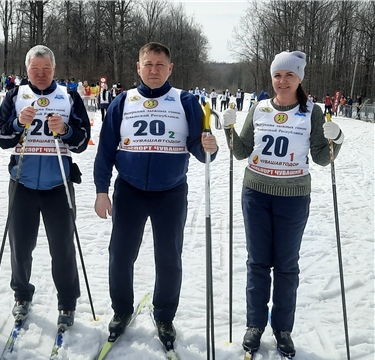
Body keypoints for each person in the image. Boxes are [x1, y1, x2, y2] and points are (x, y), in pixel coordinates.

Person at [93, 42, 218, 347]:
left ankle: (164, 314)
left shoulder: (185, 101)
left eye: (160, 65)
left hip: (170, 192)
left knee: (169, 259)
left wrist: (208, 148)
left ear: (170, 68)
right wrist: (101, 190)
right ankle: (121, 311)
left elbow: (200, 151)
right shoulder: (123, 101)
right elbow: (106, 150)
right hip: (129, 190)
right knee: (120, 256)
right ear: (138, 67)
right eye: (148, 64)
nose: (154, 70)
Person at [221, 51, 344, 358]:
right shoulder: (260, 108)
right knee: (258, 262)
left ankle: (283, 328)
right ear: (271, 78)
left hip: (293, 197)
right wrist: (229, 130)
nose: (283, 81)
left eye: (289, 75)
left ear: (299, 78)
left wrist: (337, 139)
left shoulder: (311, 111)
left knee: (286, 266)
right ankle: (255, 325)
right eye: (277, 75)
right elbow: (241, 151)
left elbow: (320, 157)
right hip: (256, 192)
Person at [0, 45, 90, 328]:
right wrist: (17, 122)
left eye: (46, 69)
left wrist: (66, 130)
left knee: (62, 247)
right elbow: (0, 137)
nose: (40, 74)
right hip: (22, 181)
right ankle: (22, 295)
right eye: (35, 69)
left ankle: (67, 302)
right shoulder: (15, 95)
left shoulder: (69, 96)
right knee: (20, 246)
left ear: (54, 69)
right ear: (27, 70)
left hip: (58, 183)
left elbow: (82, 141)